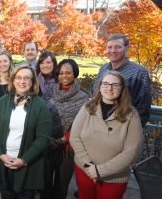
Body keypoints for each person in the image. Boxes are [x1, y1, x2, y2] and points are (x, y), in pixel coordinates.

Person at [70, 70, 142, 199]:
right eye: (105, 84)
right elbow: (74, 137)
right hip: (84, 171)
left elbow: (132, 152)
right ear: (100, 86)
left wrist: (99, 171)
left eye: (115, 85)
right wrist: (88, 165)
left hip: (114, 179)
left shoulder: (132, 115)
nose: (109, 88)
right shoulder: (87, 107)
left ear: (122, 89)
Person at [0, 65, 52, 199]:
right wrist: (0, 155)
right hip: (3, 161)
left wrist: (23, 160)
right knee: (6, 195)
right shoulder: (2, 102)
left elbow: (42, 139)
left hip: (27, 164)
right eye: (19, 77)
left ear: (33, 82)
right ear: (13, 80)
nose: (22, 81)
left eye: (27, 78)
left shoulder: (41, 106)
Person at [47, 59, 90, 199]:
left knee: (61, 184)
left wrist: (62, 140)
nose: (64, 76)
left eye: (68, 73)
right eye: (61, 73)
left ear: (75, 74)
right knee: (45, 181)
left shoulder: (83, 98)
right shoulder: (50, 92)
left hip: (68, 148)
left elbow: (82, 125)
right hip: (48, 143)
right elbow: (41, 116)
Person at [93, 33, 152, 127]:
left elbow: (143, 107)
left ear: (126, 48)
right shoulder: (103, 69)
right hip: (99, 124)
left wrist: (132, 130)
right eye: (109, 47)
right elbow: (95, 94)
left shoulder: (139, 72)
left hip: (124, 126)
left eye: (118, 47)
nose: (113, 50)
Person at [35, 51, 62, 199]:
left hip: (58, 130)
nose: (45, 65)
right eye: (42, 62)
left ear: (54, 64)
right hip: (39, 130)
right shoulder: (34, 80)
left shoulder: (60, 80)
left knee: (56, 168)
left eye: (49, 62)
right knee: (42, 167)